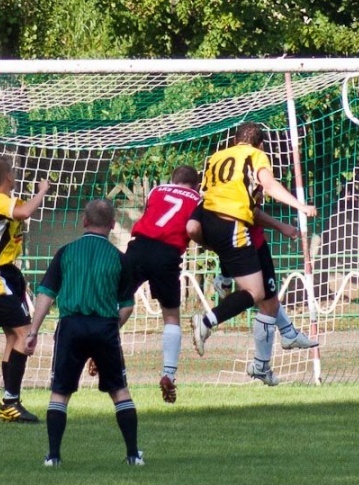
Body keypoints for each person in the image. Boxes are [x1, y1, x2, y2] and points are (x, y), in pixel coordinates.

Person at [187, 122, 316, 386]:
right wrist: (299, 205)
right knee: (257, 294)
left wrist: (280, 227)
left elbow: (209, 200)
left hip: (210, 221)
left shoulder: (216, 157)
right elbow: (268, 185)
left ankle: (281, 337)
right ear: (261, 145)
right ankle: (208, 320)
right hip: (233, 225)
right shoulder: (255, 156)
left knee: (265, 295)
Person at [25, 199, 143, 466]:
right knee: (120, 391)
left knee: (60, 392)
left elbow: (46, 293)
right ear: (113, 225)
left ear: (83, 221)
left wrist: (33, 331)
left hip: (71, 327)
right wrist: (110, 331)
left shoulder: (66, 252)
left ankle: (53, 456)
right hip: (104, 327)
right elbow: (126, 306)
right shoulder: (119, 258)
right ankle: (133, 455)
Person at [0, 155, 49, 421]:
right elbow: (25, 212)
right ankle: (10, 401)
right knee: (26, 335)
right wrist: (42, 192)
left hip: (4, 272)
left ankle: (10, 402)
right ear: (8, 178)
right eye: (13, 173)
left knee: (13, 337)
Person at [123, 165, 202, 404]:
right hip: (167, 254)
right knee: (170, 318)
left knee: (123, 301)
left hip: (138, 246)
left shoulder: (157, 190)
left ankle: (101, 344)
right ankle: (168, 373)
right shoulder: (198, 199)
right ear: (196, 185)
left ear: (173, 179)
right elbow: (194, 226)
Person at [211, 199, 319, 352]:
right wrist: (294, 213)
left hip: (247, 242)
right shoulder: (250, 178)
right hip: (250, 245)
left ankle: (288, 333)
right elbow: (254, 210)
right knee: (261, 297)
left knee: (268, 300)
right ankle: (207, 321)